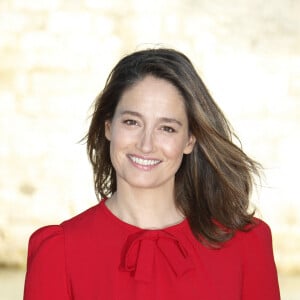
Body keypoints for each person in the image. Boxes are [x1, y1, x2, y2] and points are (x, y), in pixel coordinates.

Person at [23, 48, 280, 299]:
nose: (146, 145)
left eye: (167, 128)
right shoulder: (59, 254)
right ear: (109, 127)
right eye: (132, 122)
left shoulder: (247, 246)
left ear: (190, 140)